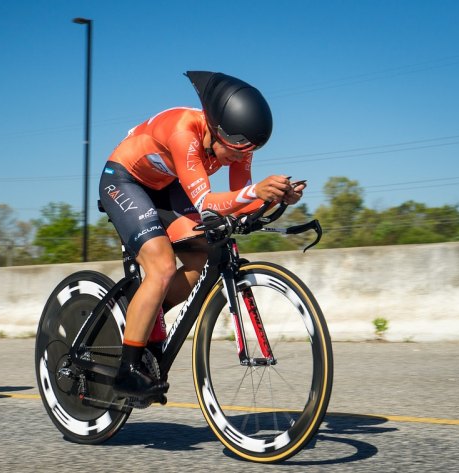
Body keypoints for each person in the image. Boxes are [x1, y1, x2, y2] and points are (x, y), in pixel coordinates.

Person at [99, 71, 306, 401]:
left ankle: (147, 314)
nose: (240, 157)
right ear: (215, 129)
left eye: (246, 151)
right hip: (125, 181)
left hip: (167, 187)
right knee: (163, 267)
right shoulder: (185, 133)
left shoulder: (238, 143)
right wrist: (257, 190)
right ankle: (127, 370)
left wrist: (273, 196)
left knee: (201, 260)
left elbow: (238, 200)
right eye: (235, 150)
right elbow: (208, 202)